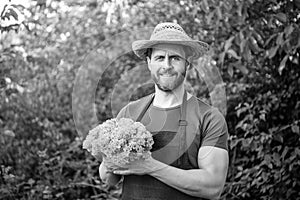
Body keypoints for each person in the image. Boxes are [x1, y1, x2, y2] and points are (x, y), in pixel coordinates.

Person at [99, 22, 229, 200]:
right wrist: (109, 157)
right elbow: (109, 179)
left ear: (187, 64)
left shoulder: (208, 117)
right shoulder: (130, 113)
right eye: (160, 58)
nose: (167, 65)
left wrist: (150, 166)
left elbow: (213, 187)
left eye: (175, 58)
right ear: (149, 62)